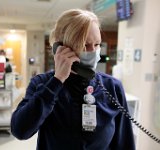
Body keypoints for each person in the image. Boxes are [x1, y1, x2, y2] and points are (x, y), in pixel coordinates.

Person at [11, 9, 135, 150]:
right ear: (62, 48)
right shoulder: (43, 84)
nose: (93, 51)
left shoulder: (112, 87)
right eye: (85, 45)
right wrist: (57, 81)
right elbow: (20, 130)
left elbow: (125, 143)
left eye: (97, 44)